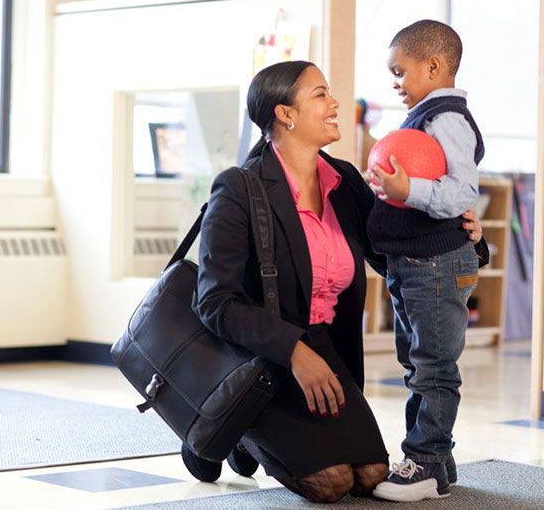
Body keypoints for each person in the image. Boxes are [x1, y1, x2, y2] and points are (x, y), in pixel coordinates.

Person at [187, 60, 484, 504]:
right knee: (331, 483)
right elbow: (214, 301)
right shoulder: (239, 188)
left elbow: (394, 247)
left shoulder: (343, 180)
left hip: (326, 353)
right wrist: (294, 351)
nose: (335, 103)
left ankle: (255, 434)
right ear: (285, 114)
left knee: (371, 475)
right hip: (262, 357)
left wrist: (464, 241)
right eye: (321, 94)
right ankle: (241, 432)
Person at [367, 20, 485, 502]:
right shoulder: (424, 118)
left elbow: (461, 190)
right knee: (416, 363)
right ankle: (439, 460)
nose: (396, 82)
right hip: (413, 265)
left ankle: (427, 460)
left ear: (434, 65)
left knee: (433, 367)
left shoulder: (446, 120)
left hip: (436, 265)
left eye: (401, 71)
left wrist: (406, 189)